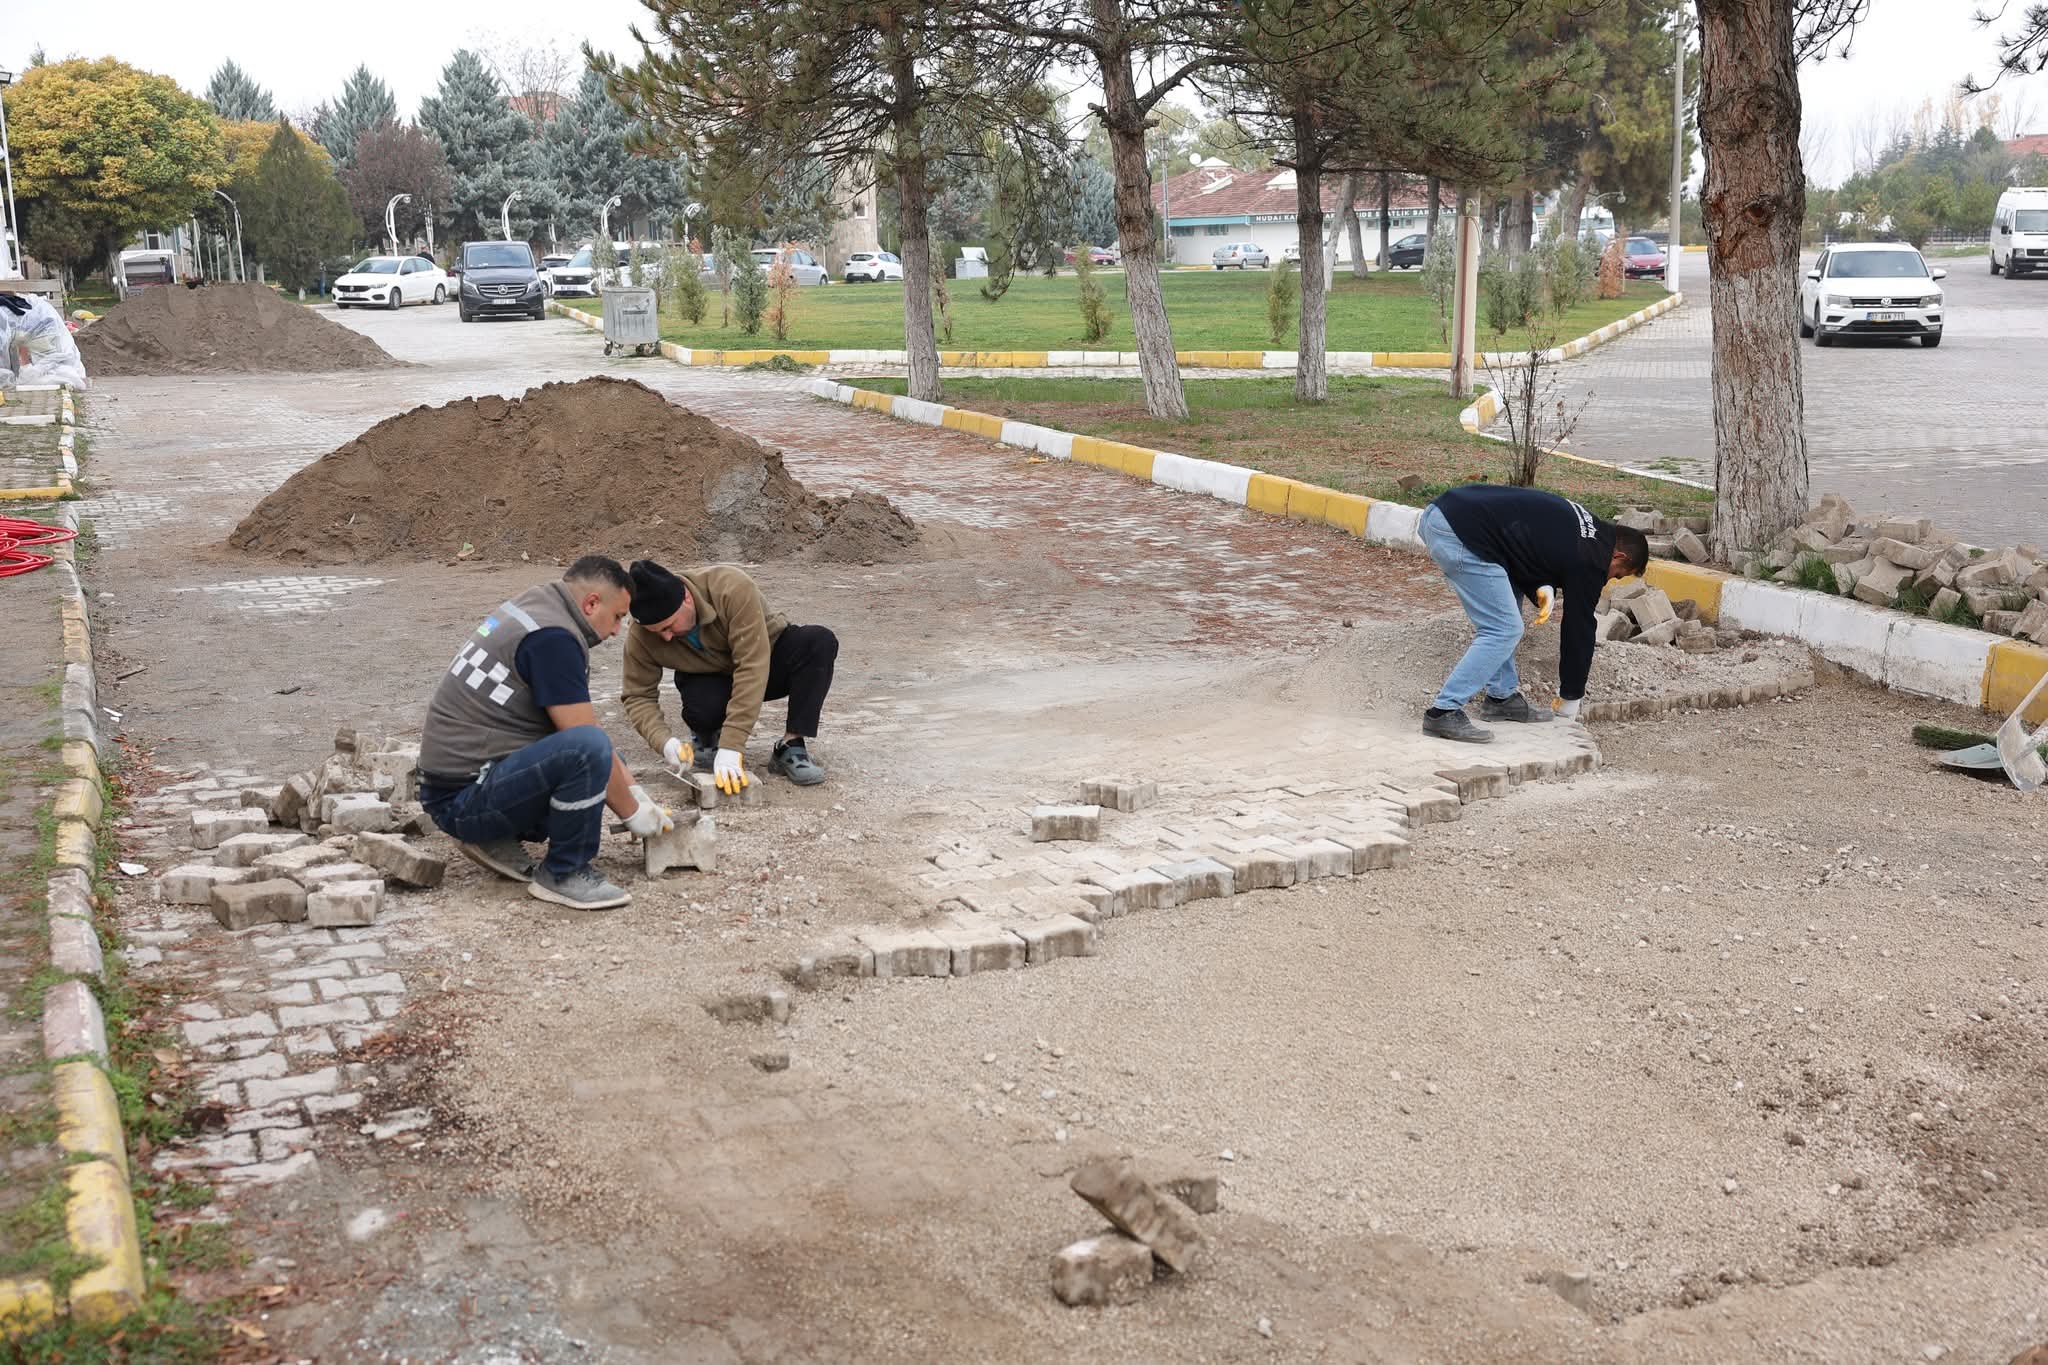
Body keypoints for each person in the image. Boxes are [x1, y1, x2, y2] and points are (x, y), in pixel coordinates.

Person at [416, 556, 675, 910]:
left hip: (462, 783)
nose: (617, 631)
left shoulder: (540, 606)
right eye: (617, 617)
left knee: (604, 764)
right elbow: (585, 737)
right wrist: (633, 813)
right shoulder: (554, 640)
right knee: (589, 753)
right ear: (591, 603)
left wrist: (633, 791)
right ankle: (563, 873)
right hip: (461, 800)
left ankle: (494, 835)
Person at [1419, 485, 1649, 744]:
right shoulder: (1592, 559)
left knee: (1509, 607)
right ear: (1618, 556)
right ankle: (1443, 712)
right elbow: (1578, 628)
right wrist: (1571, 698)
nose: (1610, 580)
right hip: (1459, 531)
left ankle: (1501, 698)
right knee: (1504, 628)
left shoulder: (1590, 529)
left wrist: (1540, 586)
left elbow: (1531, 544)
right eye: (1617, 574)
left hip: (1449, 512)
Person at [620, 560, 837, 793]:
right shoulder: (641, 633)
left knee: (818, 642)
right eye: (658, 631)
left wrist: (733, 746)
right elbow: (638, 695)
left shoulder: (731, 588)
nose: (666, 638)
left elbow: (751, 666)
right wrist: (663, 742)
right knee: (702, 708)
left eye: (669, 626)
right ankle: (707, 736)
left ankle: (790, 744)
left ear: (686, 598)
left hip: (764, 660)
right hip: (710, 678)